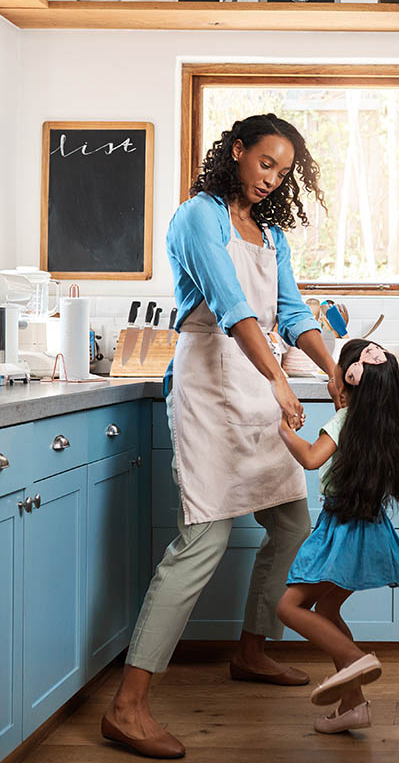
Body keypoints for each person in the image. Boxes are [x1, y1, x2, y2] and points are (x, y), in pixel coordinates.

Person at [101, 114, 342, 759]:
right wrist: (280, 379)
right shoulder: (196, 217)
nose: (272, 179)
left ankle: (251, 653)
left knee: (291, 522)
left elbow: (290, 312)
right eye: (266, 163)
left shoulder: (271, 234)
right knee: (203, 538)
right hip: (211, 381)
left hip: (259, 384)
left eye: (283, 171)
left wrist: (335, 371)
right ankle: (127, 707)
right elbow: (231, 304)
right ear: (236, 153)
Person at [276, 339, 399, 734]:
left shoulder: (342, 423)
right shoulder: (384, 423)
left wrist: (284, 429)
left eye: (336, 368)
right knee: (326, 610)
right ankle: (353, 704)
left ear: (349, 380)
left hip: (339, 531)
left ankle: (355, 658)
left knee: (289, 608)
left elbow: (310, 458)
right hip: (370, 529)